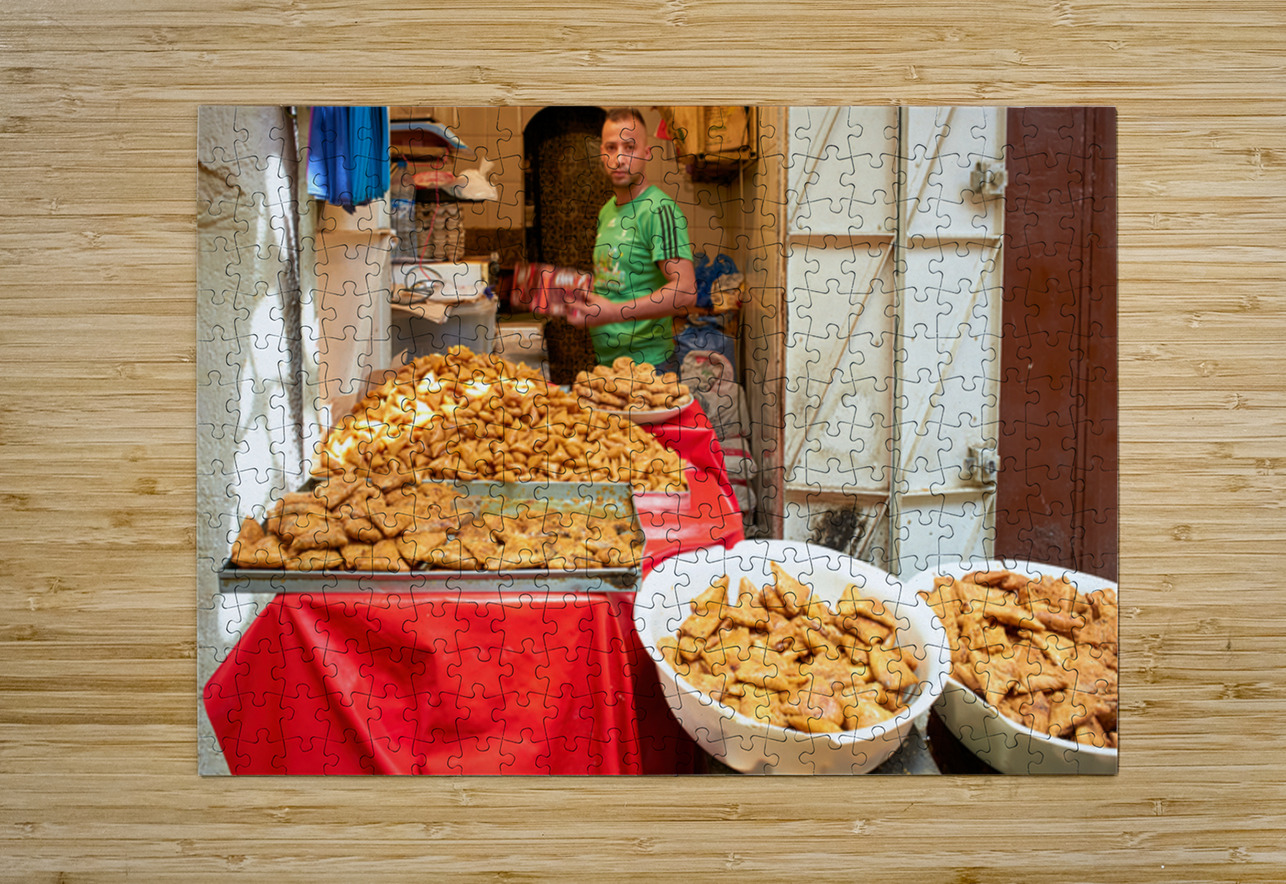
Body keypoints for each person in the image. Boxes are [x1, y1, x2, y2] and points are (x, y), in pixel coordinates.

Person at [565, 108, 697, 371]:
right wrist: (583, 294)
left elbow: (685, 292)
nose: (619, 158)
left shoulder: (659, 210)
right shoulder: (607, 210)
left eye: (629, 147)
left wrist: (613, 312)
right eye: (611, 148)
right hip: (607, 365)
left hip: (649, 367)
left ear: (646, 153)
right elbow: (619, 282)